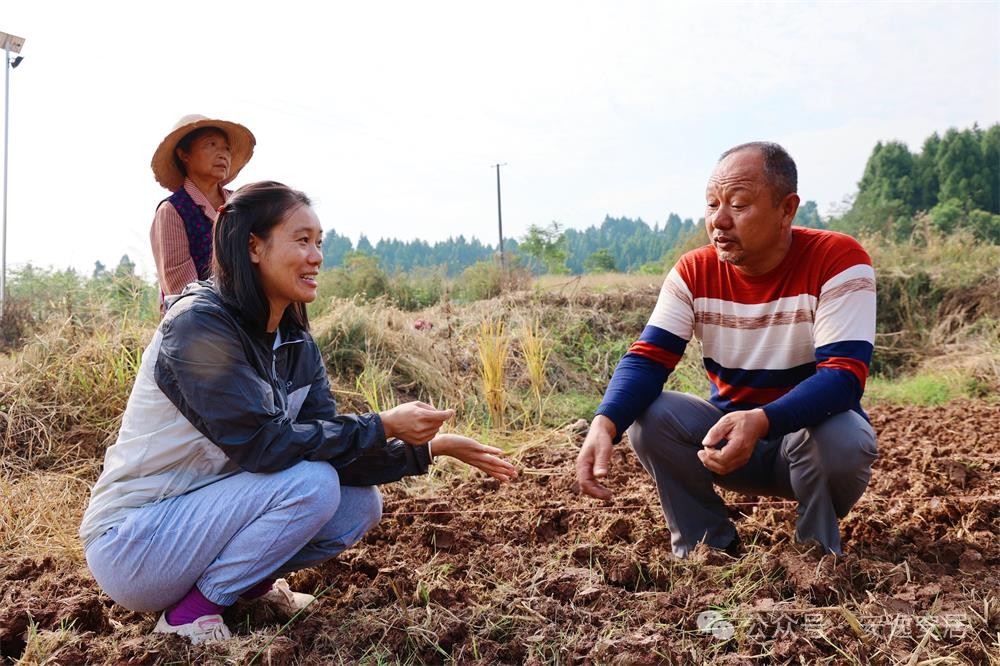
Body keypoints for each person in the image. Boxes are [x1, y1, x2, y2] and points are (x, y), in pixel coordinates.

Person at [81, 181, 517, 645]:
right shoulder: (197, 326)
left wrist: (429, 449)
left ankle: (247, 589)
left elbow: (330, 449)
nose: (317, 257)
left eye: (319, 243)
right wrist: (383, 424)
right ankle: (192, 613)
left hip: (203, 523)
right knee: (313, 484)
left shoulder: (294, 343)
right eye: (302, 240)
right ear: (254, 247)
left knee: (359, 504)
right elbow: (264, 446)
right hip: (137, 543)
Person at [576, 142, 877, 559]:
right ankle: (707, 547)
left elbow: (843, 376)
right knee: (650, 417)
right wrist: (604, 424)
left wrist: (762, 421)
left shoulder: (836, 259)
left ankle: (815, 556)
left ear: (787, 209)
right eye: (712, 204)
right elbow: (647, 358)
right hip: (728, 446)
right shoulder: (694, 270)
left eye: (738, 205)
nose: (719, 220)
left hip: (806, 445)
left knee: (844, 437)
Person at [150, 114, 256, 310]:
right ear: (184, 154)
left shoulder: (242, 204)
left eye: (226, 148)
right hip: (201, 319)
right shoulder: (172, 211)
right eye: (211, 144)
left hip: (251, 313)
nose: (223, 154)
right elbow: (184, 294)